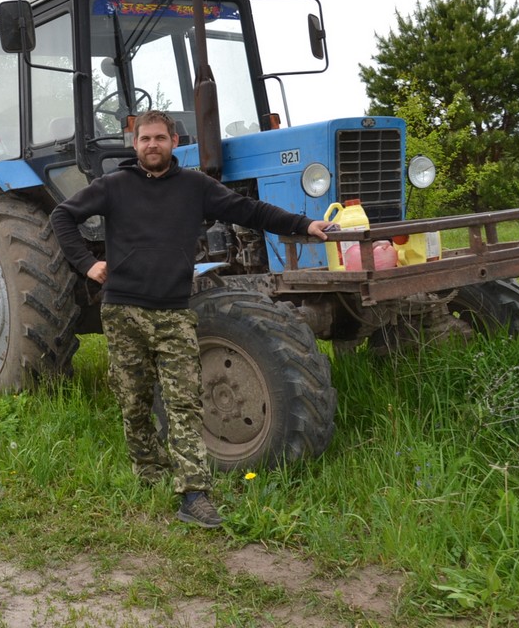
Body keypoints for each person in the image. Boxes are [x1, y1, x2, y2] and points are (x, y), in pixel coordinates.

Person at [49, 110, 334, 529]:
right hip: (123, 310)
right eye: (145, 139)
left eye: (159, 138)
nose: (152, 145)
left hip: (174, 311)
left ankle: (193, 494)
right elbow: (62, 217)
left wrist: (304, 223)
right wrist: (86, 264)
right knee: (134, 401)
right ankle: (148, 470)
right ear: (135, 144)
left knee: (184, 401)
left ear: (174, 141)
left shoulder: (195, 187)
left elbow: (250, 211)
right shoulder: (113, 187)